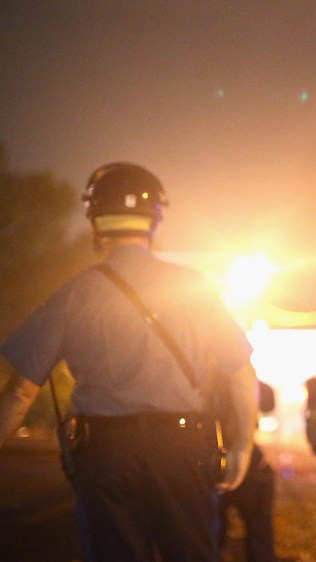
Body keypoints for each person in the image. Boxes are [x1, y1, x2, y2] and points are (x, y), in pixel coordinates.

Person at [0, 162, 258, 561]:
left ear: (95, 221)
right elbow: (240, 371)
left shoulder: (75, 295)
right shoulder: (196, 288)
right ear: (154, 219)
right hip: (183, 447)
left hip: (107, 452)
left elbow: (20, 390)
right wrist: (241, 446)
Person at [218, 381, 292, 562]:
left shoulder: (201, 374)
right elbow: (268, 403)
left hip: (211, 457)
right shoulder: (242, 378)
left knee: (212, 526)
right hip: (244, 457)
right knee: (259, 524)